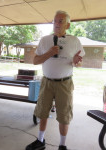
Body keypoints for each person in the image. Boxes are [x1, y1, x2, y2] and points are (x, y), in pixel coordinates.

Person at [25, 10, 85, 150]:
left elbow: (80, 62)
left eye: (60, 21)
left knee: (64, 114)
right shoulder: (45, 40)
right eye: (55, 21)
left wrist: (77, 62)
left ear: (68, 25)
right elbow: (35, 61)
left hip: (65, 83)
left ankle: (62, 145)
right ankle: (40, 141)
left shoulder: (74, 41)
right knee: (43, 112)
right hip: (47, 82)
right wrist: (49, 53)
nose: (56, 24)